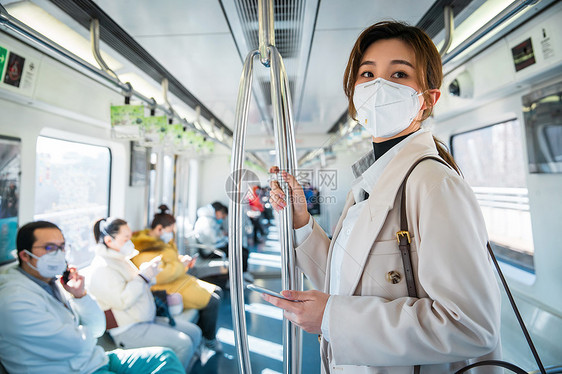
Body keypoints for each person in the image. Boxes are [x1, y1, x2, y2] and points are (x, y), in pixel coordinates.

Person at [266, 21, 501, 373]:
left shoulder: (434, 184)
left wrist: (332, 317)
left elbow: (470, 326)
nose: (379, 87)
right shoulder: (370, 181)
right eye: (367, 73)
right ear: (354, 93)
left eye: (399, 75)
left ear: (428, 100)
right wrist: (301, 220)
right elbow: (348, 278)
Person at [0, 221, 184, 374]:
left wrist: (80, 296)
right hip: (72, 370)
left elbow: (97, 328)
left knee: (165, 358)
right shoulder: (14, 299)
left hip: (92, 359)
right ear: (25, 255)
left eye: (62, 247)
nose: (59, 253)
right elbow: (74, 345)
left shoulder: (51, 283)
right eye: (50, 248)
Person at [85, 217, 202, 369]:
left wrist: (149, 275)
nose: (130, 241)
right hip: (127, 328)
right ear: (108, 241)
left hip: (143, 318)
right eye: (126, 238)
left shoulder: (120, 259)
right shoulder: (102, 268)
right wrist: (143, 276)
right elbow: (122, 300)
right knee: (183, 344)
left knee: (194, 332)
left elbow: (134, 285)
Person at [131, 205, 223, 352]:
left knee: (218, 291)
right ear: (160, 229)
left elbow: (170, 260)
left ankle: (203, 336)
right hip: (165, 289)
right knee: (213, 301)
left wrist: (182, 260)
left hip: (177, 281)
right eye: (170, 230)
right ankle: (208, 339)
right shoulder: (144, 250)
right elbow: (160, 274)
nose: (171, 234)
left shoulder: (162, 242)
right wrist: (182, 265)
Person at [194, 201, 252, 280]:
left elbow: (216, 235)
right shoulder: (206, 221)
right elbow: (214, 239)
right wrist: (223, 236)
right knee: (241, 253)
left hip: (215, 247)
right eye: (223, 216)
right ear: (218, 212)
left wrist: (222, 236)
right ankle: (239, 277)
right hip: (210, 251)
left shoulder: (211, 220)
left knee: (243, 250)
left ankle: (243, 274)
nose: (223, 219)